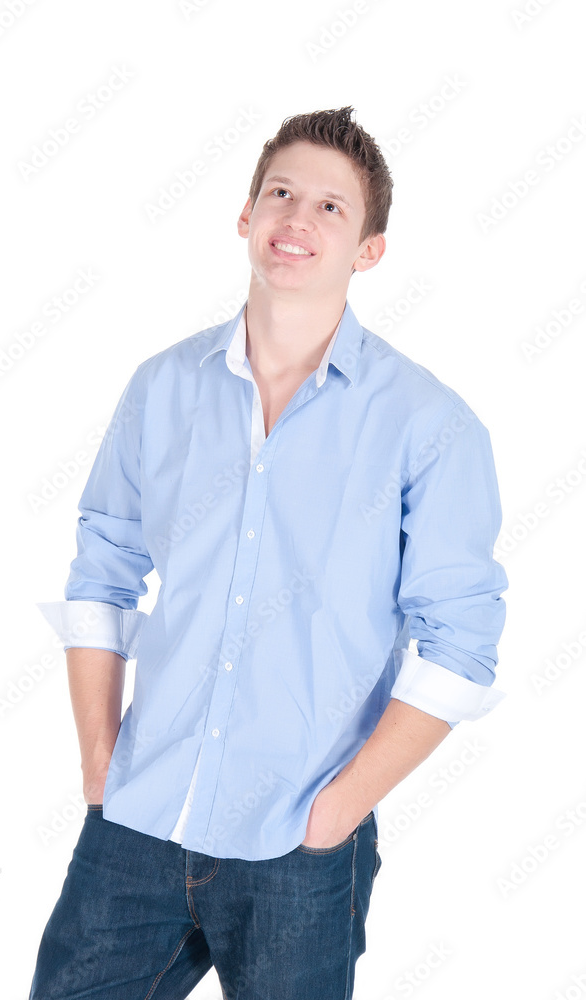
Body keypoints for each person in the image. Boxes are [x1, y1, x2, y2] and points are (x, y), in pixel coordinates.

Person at [29, 106, 508, 1000]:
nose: (298, 218)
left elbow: (462, 645)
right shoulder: (162, 385)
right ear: (245, 216)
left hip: (299, 848)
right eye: (280, 192)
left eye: (332, 207)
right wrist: (101, 764)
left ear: (370, 250)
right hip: (136, 821)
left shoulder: (429, 425)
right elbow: (103, 569)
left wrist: (338, 811)